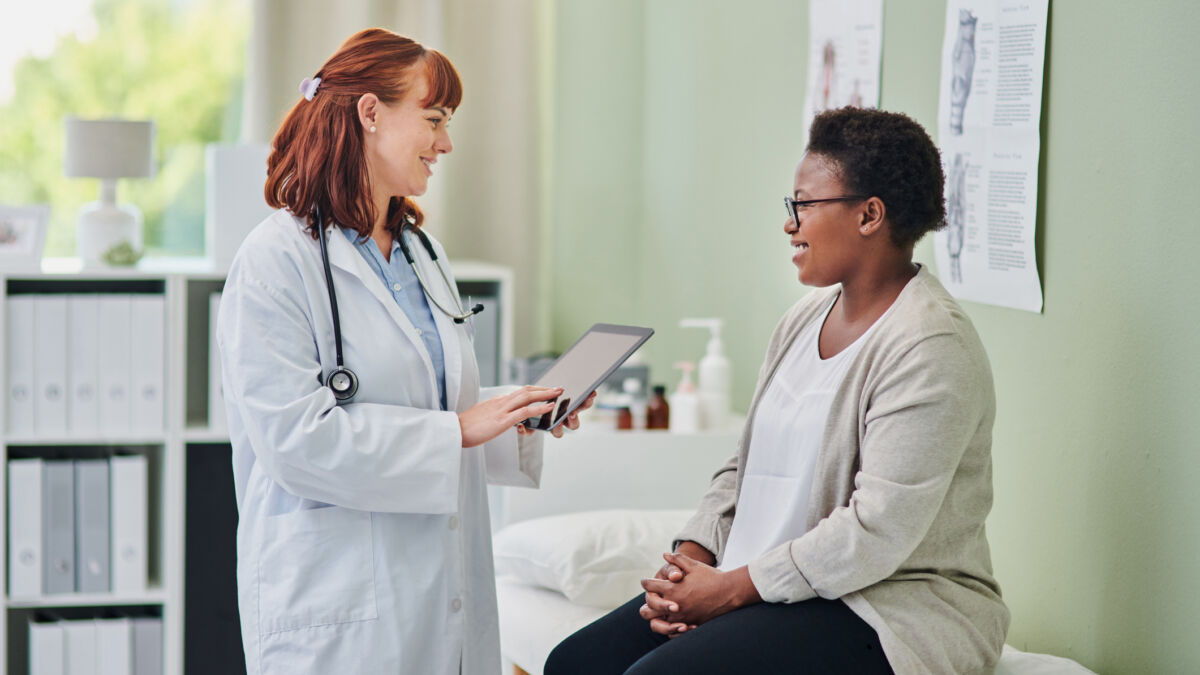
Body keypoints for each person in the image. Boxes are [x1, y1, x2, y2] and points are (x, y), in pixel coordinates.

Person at [545, 107, 1009, 674]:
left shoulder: (930, 345)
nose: (790, 224)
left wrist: (729, 590)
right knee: (573, 664)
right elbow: (744, 466)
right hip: (768, 584)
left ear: (870, 215)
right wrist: (688, 566)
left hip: (884, 606)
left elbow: (876, 531)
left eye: (803, 205)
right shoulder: (802, 319)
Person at [217, 28, 590, 675]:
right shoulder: (275, 262)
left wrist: (517, 417)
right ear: (370, 113)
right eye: (435, 118)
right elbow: (294, 441)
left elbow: (443, 412)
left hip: (440, 592)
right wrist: (457, 430)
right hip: (337, 614)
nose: (446, 142)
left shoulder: (424, 255)